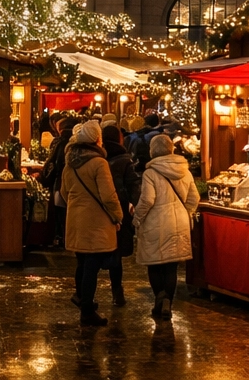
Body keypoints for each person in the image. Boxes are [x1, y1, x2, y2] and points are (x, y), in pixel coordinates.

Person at [59, 120, 122, 326]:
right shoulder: (99, 163)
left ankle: (81, 298)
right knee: (92, 267)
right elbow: (108, 196)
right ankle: (87, 309)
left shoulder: (70, 162)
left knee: (82, 262)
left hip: (76, 220)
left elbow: (64, 192)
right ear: (96, 139)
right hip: (96, 222)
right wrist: (117, 216)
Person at [135, 133, 199, 321]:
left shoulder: (150, 173)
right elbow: (194, 198)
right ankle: (167, 303)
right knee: (171, 266)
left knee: (155, 264)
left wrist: (137, 218)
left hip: (156, 223)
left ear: (153, 150)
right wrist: (184, 212)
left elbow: (147, 199)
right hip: (178, 222)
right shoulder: (185, 171)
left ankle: (159, 298)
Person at [102, 123, 141, 308]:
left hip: (99, 208)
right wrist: (133, 204)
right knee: (116, 250)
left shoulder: (97, 157)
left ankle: (86, 294)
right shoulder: (124, 159)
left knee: (94, 252)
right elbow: (134, 185)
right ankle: (117, 291)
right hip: (120, 208)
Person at [40, 117, 77, 246]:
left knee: (61, 212)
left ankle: (62, 237)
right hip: (73, 183)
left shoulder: (59, 143)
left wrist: (44, 177)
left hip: (60, 182)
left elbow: (53, 163)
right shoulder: (75, 143)